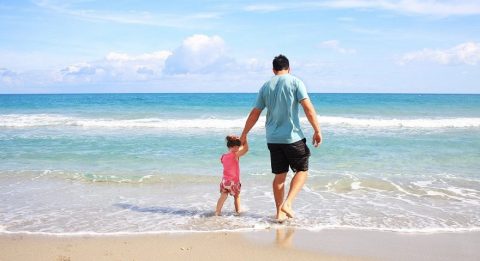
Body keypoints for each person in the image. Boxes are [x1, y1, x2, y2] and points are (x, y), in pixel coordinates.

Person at [240, 54, 322, 221]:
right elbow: (308, 108)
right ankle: (288, 204)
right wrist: (317, 130)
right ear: (289, 68)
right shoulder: (295, 82)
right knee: (302, 170)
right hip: (292, 137)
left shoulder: (265, 86)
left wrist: (244, 133)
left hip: (272, 138)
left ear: (273, 70)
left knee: (279, 176)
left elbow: (255, 113)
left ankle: (279, 214)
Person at [215, 135, 249, 216]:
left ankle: (217, 212)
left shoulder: (223, 156)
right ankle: (238, 212)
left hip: (225, 181)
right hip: (234, 182)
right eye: (238, 147)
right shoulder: (235, 155)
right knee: (236, 196)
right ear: (235, 147)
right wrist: (245, 139)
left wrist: (239, 141)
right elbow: (246, 149)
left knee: (223, 196)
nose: (238, 148)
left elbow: (237, 151)